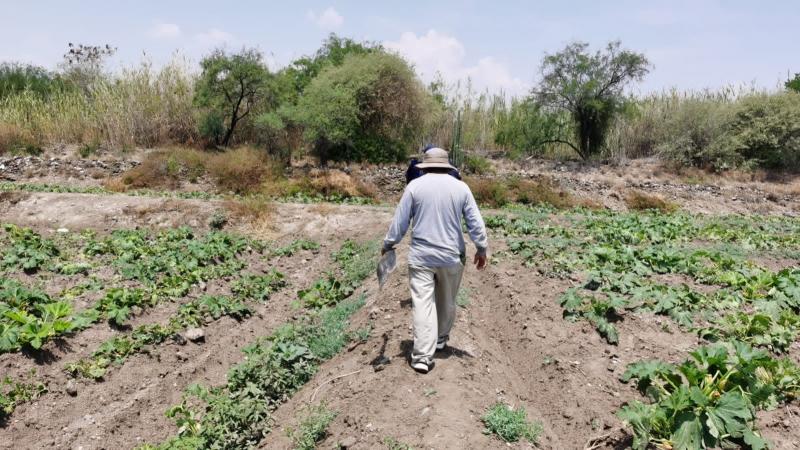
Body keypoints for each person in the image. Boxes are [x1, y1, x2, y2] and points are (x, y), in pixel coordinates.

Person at [383, 147, 488, 374]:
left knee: (422, 303)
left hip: (421, 256)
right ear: (446, 166)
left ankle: (421, 356)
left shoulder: (415, 186)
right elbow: (475, 222)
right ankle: (440, 339)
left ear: (426, 165)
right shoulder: (461, 188)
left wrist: (389, 244)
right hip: (451, 255)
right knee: (446, 299)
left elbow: (400, 222)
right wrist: (481, 248)